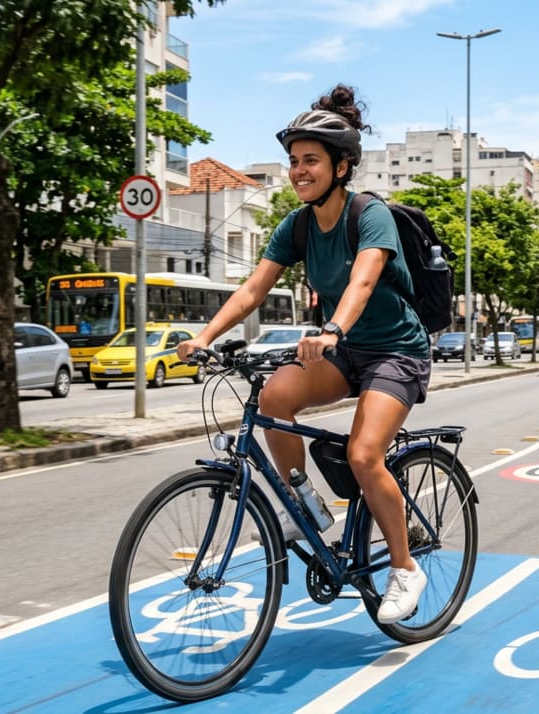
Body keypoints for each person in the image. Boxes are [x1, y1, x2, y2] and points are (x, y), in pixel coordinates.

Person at [176, 84, 430, 624]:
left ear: (341, 167)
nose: (298, 171)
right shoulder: (295, 226)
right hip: (344, 348)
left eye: (310, 160)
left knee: (364, 455)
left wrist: (333, 327)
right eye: (293, 161)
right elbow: (251, 290)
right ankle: (304, 502)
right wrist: (204, 337)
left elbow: (363, 281)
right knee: (272, 398)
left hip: (396, 351)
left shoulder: (370, 215)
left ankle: (405, 568)